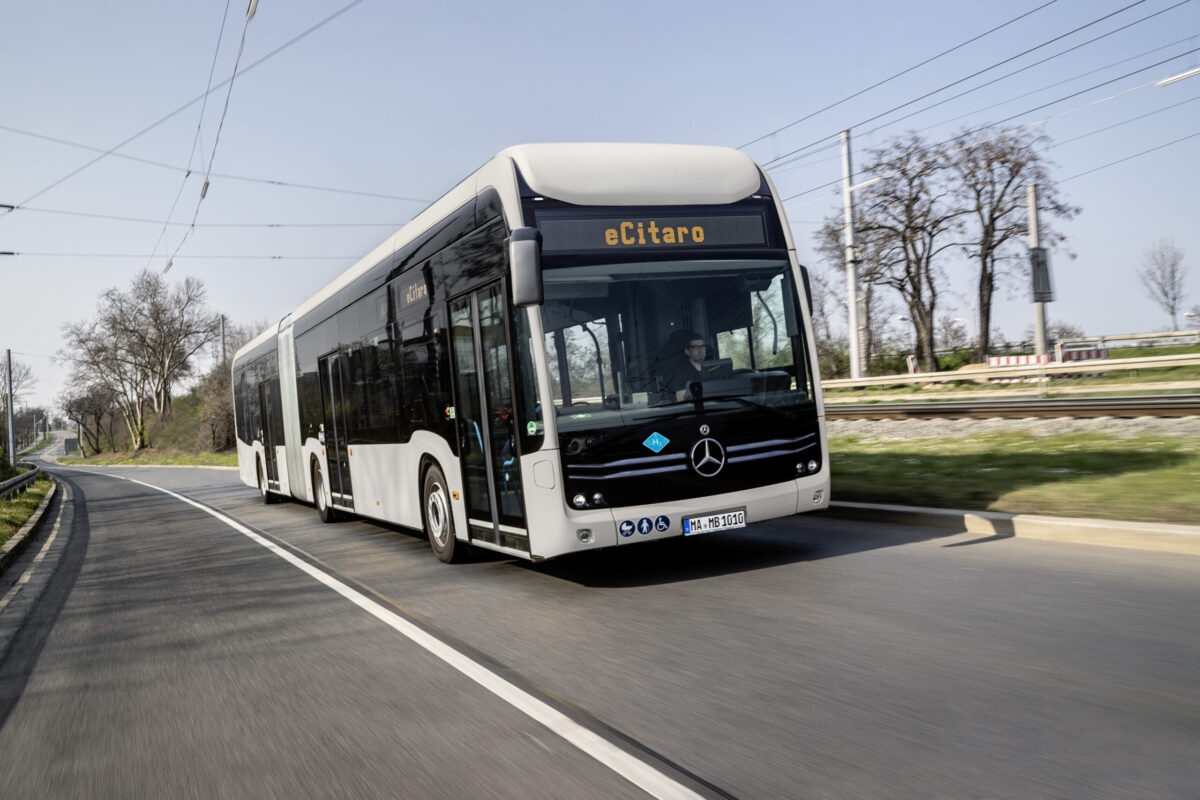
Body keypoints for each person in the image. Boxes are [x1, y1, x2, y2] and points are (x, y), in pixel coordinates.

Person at [664, 332, 708, 400]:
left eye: (702, 346)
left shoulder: (714, 369)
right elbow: (683, 403)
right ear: (687, 351)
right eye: (695, 347)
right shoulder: (681, 375)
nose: (700, 350)